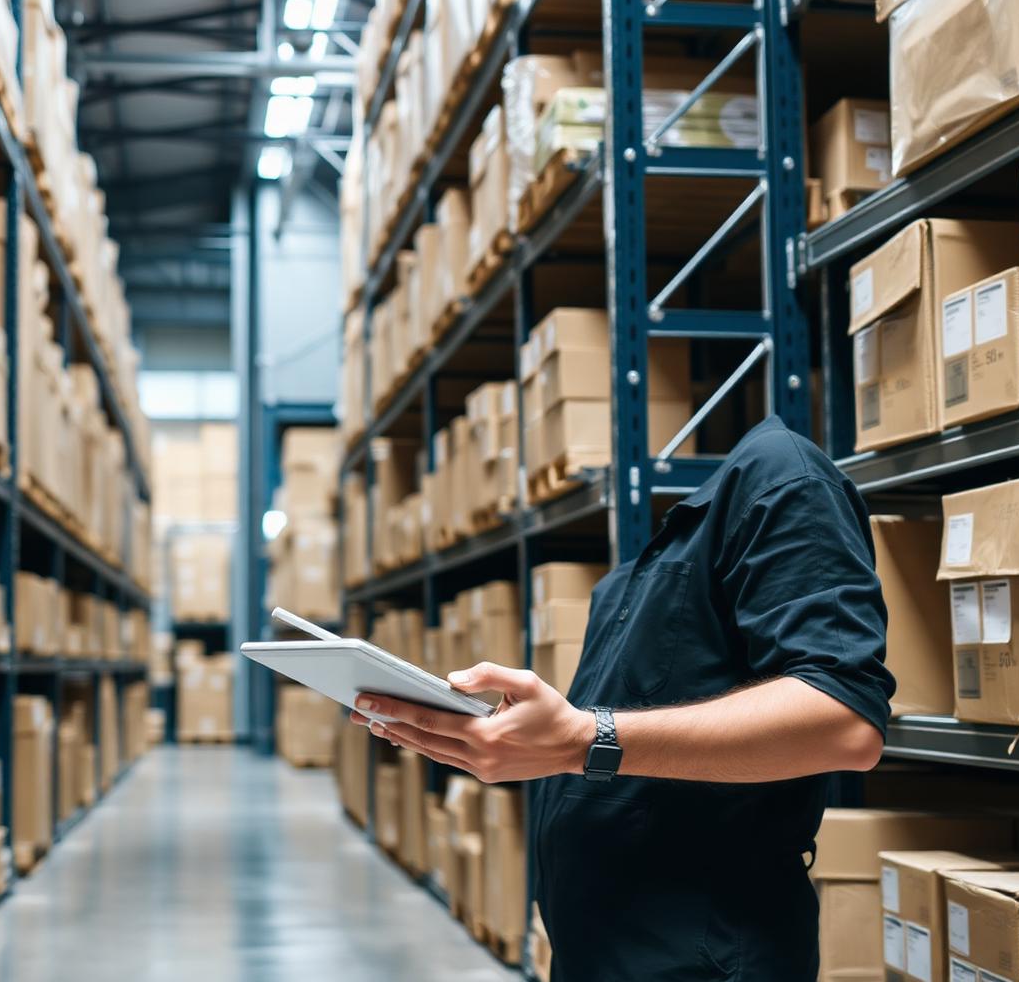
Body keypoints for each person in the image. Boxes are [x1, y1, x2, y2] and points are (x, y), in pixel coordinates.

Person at [352, 415, 894, 980]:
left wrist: (586, 741)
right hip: (603, 953)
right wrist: (515, 742)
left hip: (700, 960)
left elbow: (844, 719)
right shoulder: (642, 568)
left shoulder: (783, 474)